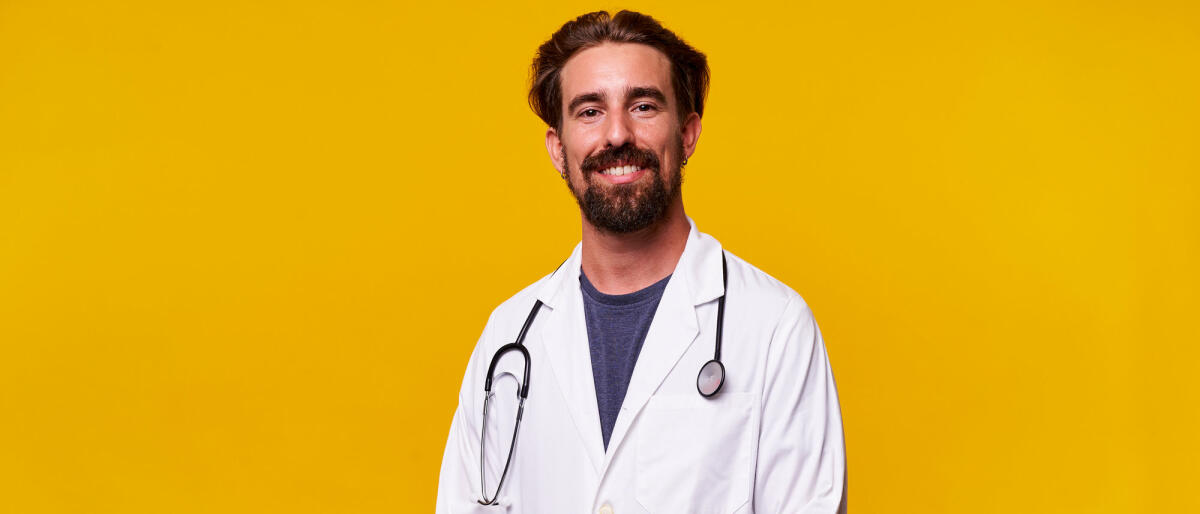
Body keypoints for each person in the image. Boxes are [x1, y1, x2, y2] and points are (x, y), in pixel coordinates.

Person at [436, 10, 846, 513]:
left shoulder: (774, 328)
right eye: (589, 111)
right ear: (557, 149)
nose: (616, 134)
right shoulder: (509, 337)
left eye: (644, 106)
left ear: (688, 133)